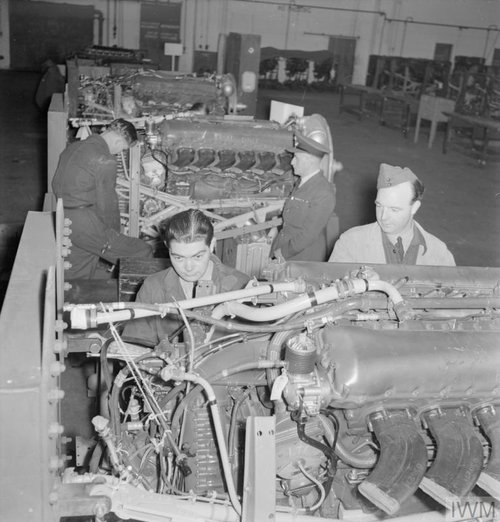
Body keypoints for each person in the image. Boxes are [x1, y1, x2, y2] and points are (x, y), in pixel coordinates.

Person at [122, 209, 250, 346]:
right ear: (168, 247)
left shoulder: (240, 287)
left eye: (197, 256)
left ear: (212, 245)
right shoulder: (153, 288)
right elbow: (133, 350)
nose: (188, 267)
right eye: (178, 257)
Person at [52, 119, 154, 278]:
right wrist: (115, 234)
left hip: (64, 218)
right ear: (119, 140)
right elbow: (108, 205)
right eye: (122, 148)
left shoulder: (73, 148)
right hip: (85, 222)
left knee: (78, 270)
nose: (119, 152)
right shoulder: (105, 159)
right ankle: (137, 299)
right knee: (141, 251)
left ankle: (72, 299)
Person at [329, 163, 455, 266]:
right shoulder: (351, 243)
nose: (383, 217)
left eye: (394, 209)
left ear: (414, 207)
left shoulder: (439, 253)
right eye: (379, 206)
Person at [271, 118, 338, 261]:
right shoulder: (301, 182)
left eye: (297, 158)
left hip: (300, 259)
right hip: (284, 249)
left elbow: (308, 235)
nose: (292, 162)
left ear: (310, 160)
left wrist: (282, 253)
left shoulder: (324, 193)